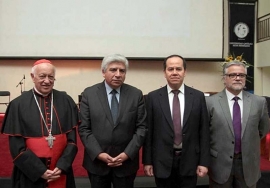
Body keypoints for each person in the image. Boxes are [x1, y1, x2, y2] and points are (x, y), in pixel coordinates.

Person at [1, 59, 79, 188]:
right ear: (33, 77)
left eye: (51, 77)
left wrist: (62, 166)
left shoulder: (66, 100)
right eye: (42, 76)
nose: (47, 81)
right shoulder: (18, 104)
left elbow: (72, 141)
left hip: (60, 171)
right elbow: (16, 147)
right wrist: (39, 171)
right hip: (29, 173)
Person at [78, 54, 147, 188]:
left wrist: (127, 154)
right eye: (113, 70)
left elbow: (142, 128)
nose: (118, 74)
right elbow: (84, 128)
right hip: (97, 163)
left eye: (122, 71)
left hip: (126, 163)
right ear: (103, 72)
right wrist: (99, 154)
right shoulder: (89, 94)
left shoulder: (136, 94)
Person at [143, 54, 210, 188]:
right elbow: (148, 132)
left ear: (185, 72)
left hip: (190, 160)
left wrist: (204, 162)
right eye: (170, 69)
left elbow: (204, 131)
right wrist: (147, 161)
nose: (174, 72)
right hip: (162, 161)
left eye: (178, 69)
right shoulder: (153, 97)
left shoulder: (198, 96)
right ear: (164, 72)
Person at [206, 59, 270, 187]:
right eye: (232, 75)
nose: (237, 78)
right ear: (225, 79)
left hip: (248, 164)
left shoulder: (259, 102)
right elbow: (206, 132)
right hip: (219, 164)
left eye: (241, 75)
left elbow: (263, 129)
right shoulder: (210, 103)